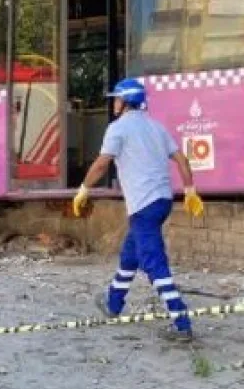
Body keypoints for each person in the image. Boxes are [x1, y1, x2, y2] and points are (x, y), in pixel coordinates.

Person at [73, 78, 205, 342]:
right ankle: (113, 302)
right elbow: (182, 159)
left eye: (116, 99)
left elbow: (101, 164)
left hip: (142, 205)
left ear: (125, 102)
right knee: (130, 254)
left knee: (153, 263)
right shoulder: (157, 127)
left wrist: (84, 189)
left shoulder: (117, 129)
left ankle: (181, 322)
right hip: (162, 202)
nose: (114, 103)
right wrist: (190, 191)